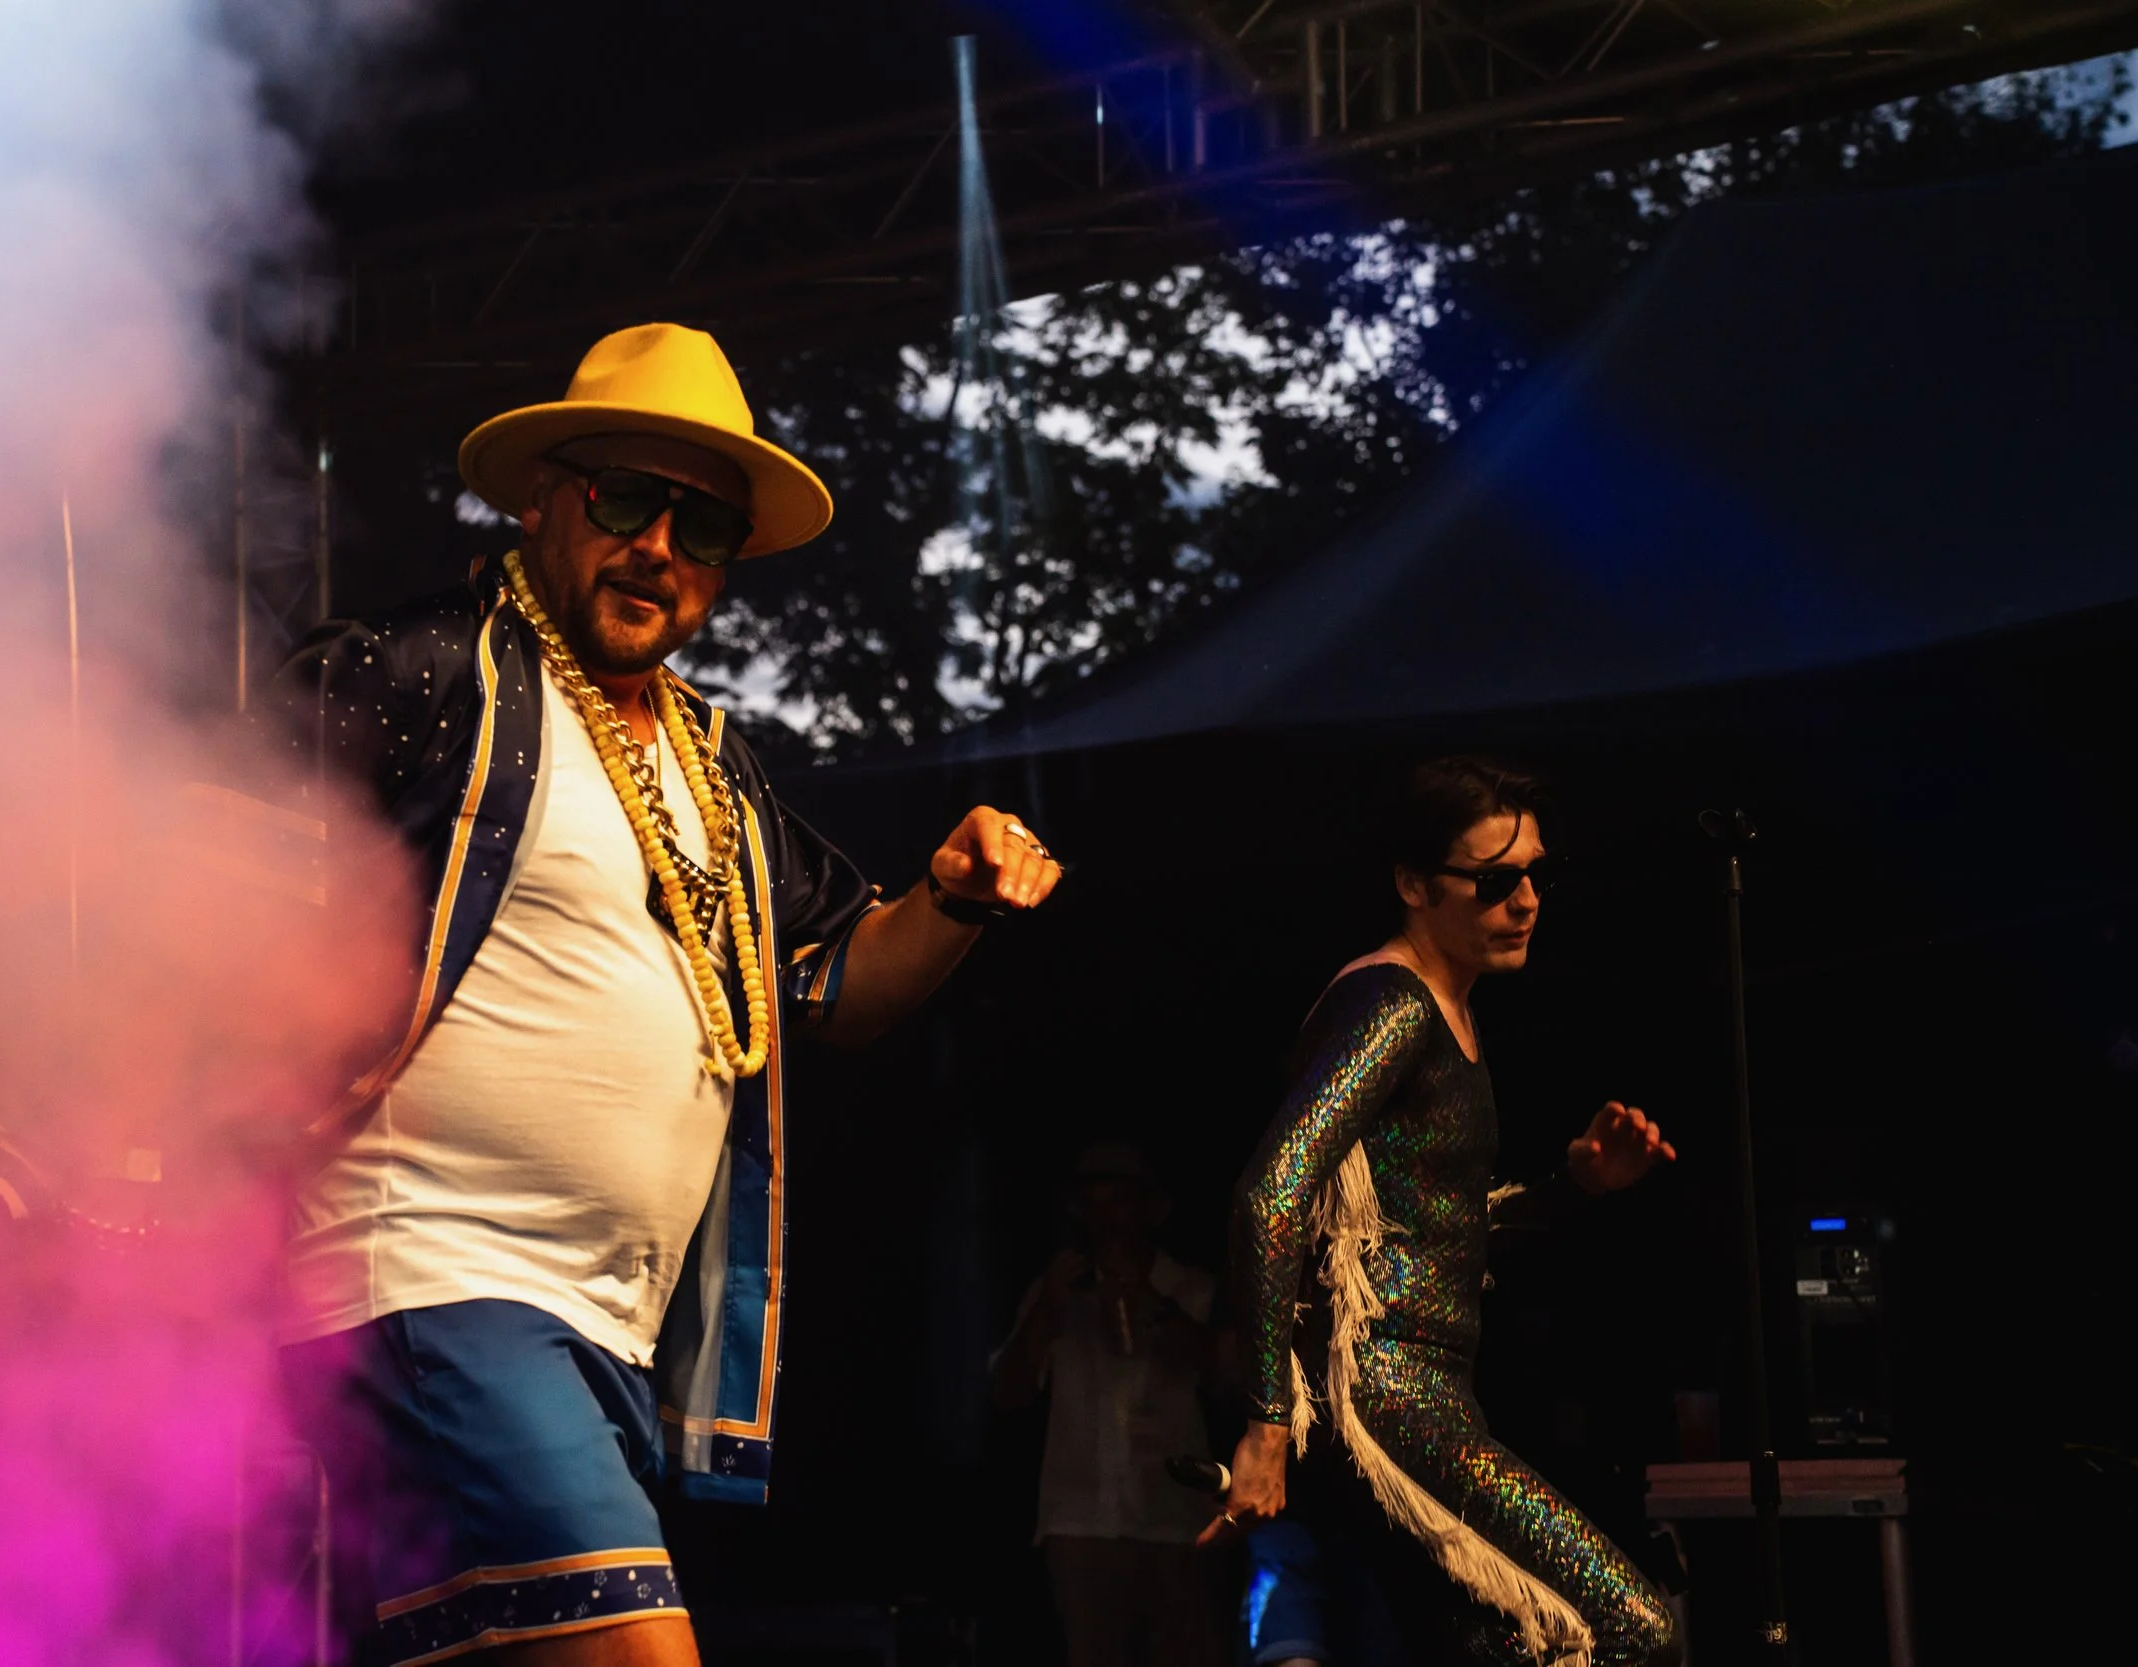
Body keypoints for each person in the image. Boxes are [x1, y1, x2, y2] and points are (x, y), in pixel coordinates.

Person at [269, 324, 1063, 1666]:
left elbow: (837, 984)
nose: (659, 549)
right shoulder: (424, 673)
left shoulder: (711, 763)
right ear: (543, 499)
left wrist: (959, 899)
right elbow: (204, 863)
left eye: (702, 528)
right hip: (431, 1269)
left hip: (608, 1326)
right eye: (626, 501)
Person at [1205, 759, 1679, 1667]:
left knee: (1493, 1650)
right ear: (1415, 885)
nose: (1527, 899)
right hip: (1386, 1392)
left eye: (1535, 871)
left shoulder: (1445, 1012)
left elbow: (1426, 1237)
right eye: (1495, 881)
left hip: (1419, 1389)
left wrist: (1575, 1185)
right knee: (1632, 1628)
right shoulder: (1391, 1005)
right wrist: (1267, 1420)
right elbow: (1273, 1190)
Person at [990, 1141, 1224, 1667]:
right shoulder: (1058, 1289)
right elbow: (1007, 1393)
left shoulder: (1190, 1287)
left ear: (1150, 1210)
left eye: (1119, 1201)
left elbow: (1228, 1378)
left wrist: (1151, 1305)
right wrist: (1048, 1310)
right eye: (1093, 1203)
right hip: (1080, 1523)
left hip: (1175, 1520)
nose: (1107, 1219)